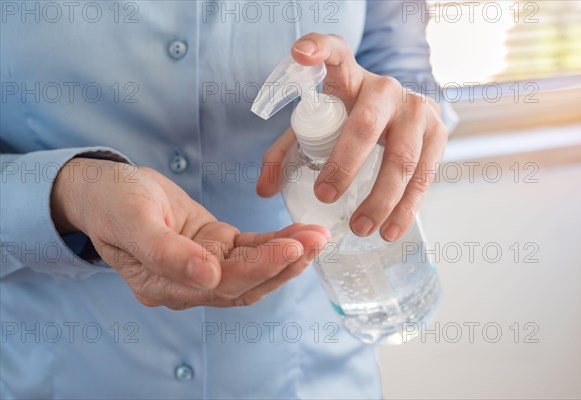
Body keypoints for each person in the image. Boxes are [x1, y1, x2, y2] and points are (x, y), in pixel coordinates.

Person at [1, 0, 456, 398]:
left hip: (309, 376)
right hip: (71, 374)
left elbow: (401, 62)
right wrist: (65, 194)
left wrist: (399, 116)